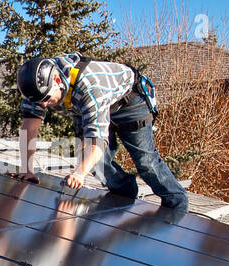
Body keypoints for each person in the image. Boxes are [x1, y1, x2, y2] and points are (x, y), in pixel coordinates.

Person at [16, 53, 187, 213]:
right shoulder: (36, 87)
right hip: (85, 108)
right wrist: (27, 169)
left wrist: (79, 173)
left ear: (57, 80)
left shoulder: (89, 88)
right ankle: (125, 196)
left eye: (46, 99)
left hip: (129, 104)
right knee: (98, 164)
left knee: (146, 162)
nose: (44, 105)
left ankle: (177, 205)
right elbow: (29, 127)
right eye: (40, 101)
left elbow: (96, 140)